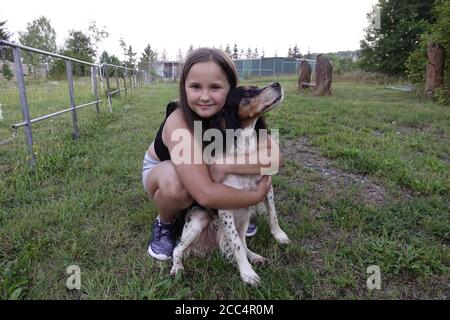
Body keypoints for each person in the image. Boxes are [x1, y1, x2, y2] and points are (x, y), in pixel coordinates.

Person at [142, 48, 282, 260]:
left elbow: (274, 159)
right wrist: (255, 196)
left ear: (231, 89)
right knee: (177, 183)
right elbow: (205, 193)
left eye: (215, 87)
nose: (205, 97)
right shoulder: (178, 121)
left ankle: (233, 210)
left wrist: (226, 166)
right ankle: (166, 223)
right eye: (195, 87)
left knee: (233, 160)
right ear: (184, 88)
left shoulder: (239, 113)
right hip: (163, 170)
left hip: (206, 168)